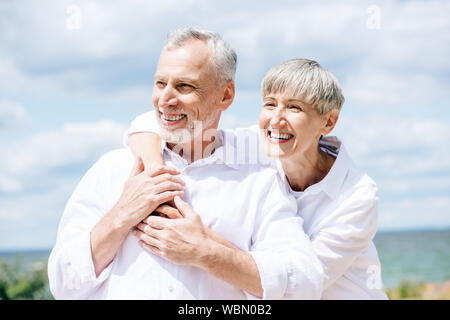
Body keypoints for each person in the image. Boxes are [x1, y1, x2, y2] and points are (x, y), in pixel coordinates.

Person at [47, 28, 323, 300]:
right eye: (159, 83)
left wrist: (207, 252)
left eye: (184, 86)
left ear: (225, 95)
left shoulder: (259, 181)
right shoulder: (113, 170)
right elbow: (63, 284)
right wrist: (121, 216)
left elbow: (305, 284)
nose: (165, 99)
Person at [127, 58, 388, 299]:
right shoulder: (255, 144)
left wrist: (202, 242)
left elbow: (298, 284)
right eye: (270, 104)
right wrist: (156, 175)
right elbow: (147, 123)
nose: (276, 120)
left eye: (294, 107)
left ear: (328, 122)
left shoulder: (357, 195)